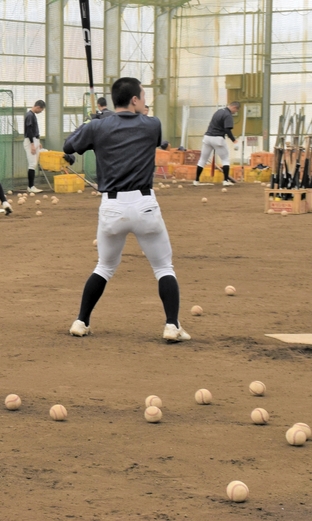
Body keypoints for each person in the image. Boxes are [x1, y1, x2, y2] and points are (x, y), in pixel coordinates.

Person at [62, 77, 190, 343]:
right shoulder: (152, 124)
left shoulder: (97, 126)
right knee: (164, 267)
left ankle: (81, 321)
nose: (145, 103)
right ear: (134, 100)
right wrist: (99, 123)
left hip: (112, 207)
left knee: (104, 267)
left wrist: (91, 123)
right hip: (144, 205)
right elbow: (141, 127)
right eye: (143, 97)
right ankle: (171, 325)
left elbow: (69, 146)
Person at [194, 101, 240, 187]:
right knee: (225, 159)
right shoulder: (228, 115)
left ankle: (196, 180)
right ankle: (225, 180)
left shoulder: (218, 111)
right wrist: (234, 140)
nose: (235, 112)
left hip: (207, 138)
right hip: (218, 139)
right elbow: (227, 129)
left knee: (202, 159)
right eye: (236, 111)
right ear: (234, 107)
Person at [23, 100, 46, 193]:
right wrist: (32, 144)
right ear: (38, 107)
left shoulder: (32, 115)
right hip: (30, 140)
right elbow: (29, 130)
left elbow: (33, 130)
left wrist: (38, 141)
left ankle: (31, 186)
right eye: (41, 110)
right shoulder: (30, 115)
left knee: (34, 163)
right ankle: (31, 186)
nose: (41, 111)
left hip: (34, 140)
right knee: (32, 164)